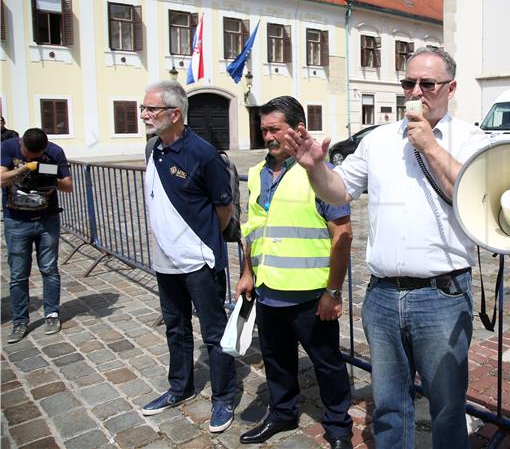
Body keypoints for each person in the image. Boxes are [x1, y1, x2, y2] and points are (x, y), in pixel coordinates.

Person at [285, 46, 487, 449]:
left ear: (451, 88)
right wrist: (315, 169)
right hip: (382, 294)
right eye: (408, 83)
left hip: (441, 294)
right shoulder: (378, 140)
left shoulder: (472, 139)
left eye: (426, 84)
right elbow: (339, 191)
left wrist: (430, 145)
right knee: (391, 403)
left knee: (447, 405)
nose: (416, 91)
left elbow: (475, 196)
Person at [236, 97, 354, 448]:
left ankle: (337, 428)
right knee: (277, 360)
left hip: (310, 295)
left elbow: (343, 234)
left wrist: (333, 291)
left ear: (298, 128)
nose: (267, 136)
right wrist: (247, 273)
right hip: (268, 288)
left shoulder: (318, 172)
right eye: (263, 130)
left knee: (328, 364)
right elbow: (252, 228)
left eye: (274, 129)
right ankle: (282, 412)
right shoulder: (257, 173)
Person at [138, 80, 236, 433]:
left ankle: (224, 398)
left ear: (174, 114)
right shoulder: (153, 149)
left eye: (152, 109)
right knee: (176, 328)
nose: (145, 114)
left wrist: (203, 242)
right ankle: (180, 388)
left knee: (214, 334)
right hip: (164, 263)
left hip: (199, 263)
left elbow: (223, 207)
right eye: (144, 108)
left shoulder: (204, 153)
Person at [1, 128, 72, 344]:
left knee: (50, 269)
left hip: (46, 220)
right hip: (17, 221)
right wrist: (23, 170)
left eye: (36, 156)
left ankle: (52, 314)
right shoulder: (8, 147)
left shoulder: (55, 152)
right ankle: (20, 320)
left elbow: (68, 186)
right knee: (18, 274)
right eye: (28, 156)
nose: (32, 158)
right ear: (22, 145)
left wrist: (52, 179)